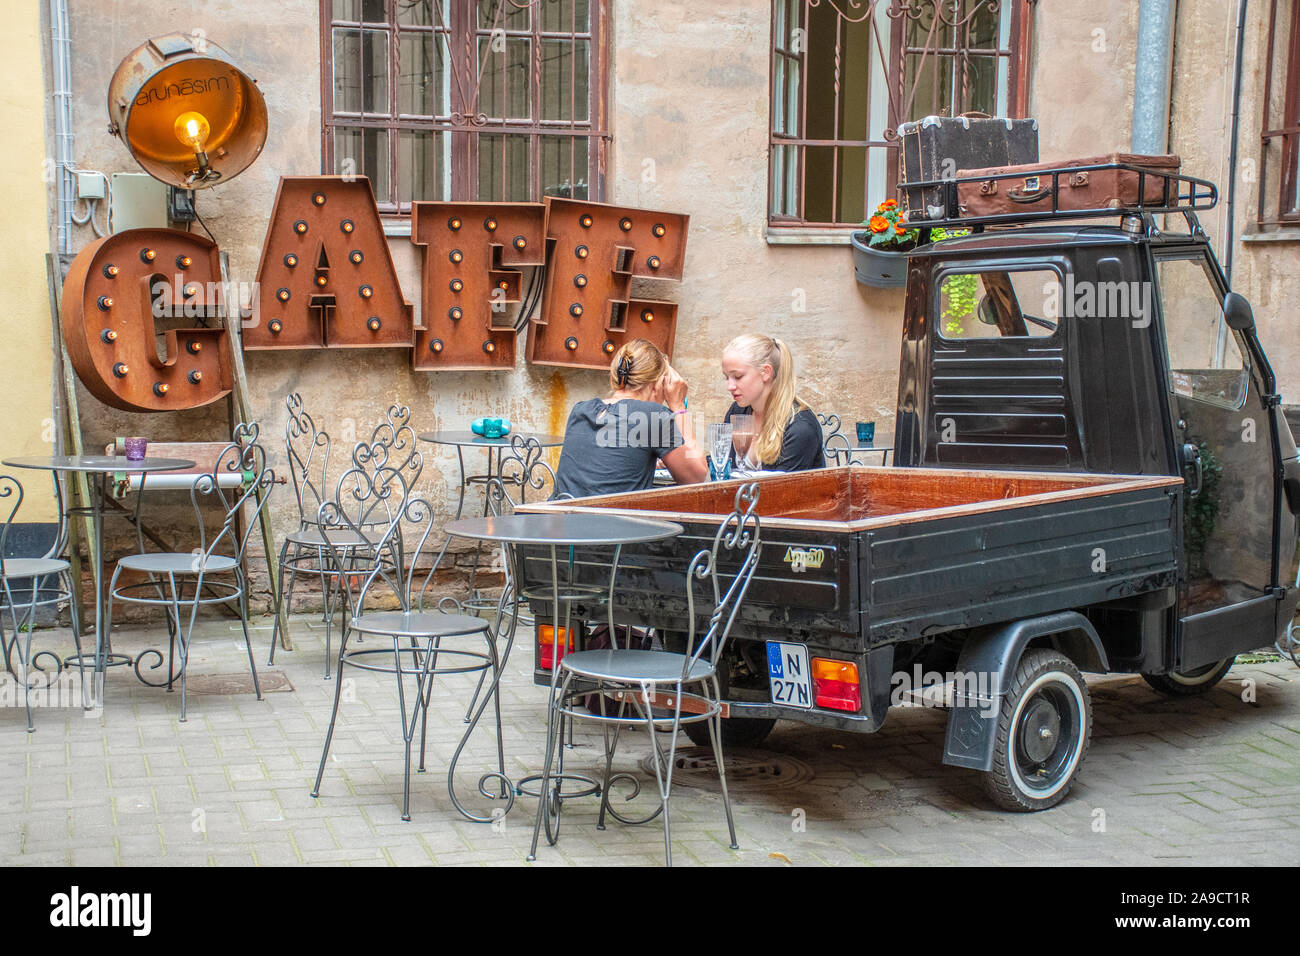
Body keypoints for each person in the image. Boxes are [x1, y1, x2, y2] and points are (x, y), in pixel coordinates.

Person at [552, 338, 707, 499]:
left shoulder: (581, 410)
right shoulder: (653, 415)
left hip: (560, 518)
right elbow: (696, 479)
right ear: (659, 383)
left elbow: (607, 465)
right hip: (612, 522)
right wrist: (678, 406)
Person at [721, 333, 825, 472]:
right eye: (726, 377)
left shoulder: (800, 427)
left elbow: (783, 491)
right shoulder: (738, 411)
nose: (730, 386)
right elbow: (725, 472)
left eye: (738, 377)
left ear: (766, 372)